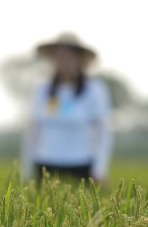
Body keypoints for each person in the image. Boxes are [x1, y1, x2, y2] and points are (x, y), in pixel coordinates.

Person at [20, 32, 112, 184]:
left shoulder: (94, 90)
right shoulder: (42, 90)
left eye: (70, 56)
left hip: (81, 164)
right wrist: (26, 170)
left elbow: (102, 132)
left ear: (80, 60)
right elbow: (32, 131)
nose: (64, 61)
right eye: (60, 56)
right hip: (45, 164)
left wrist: (100, 169)